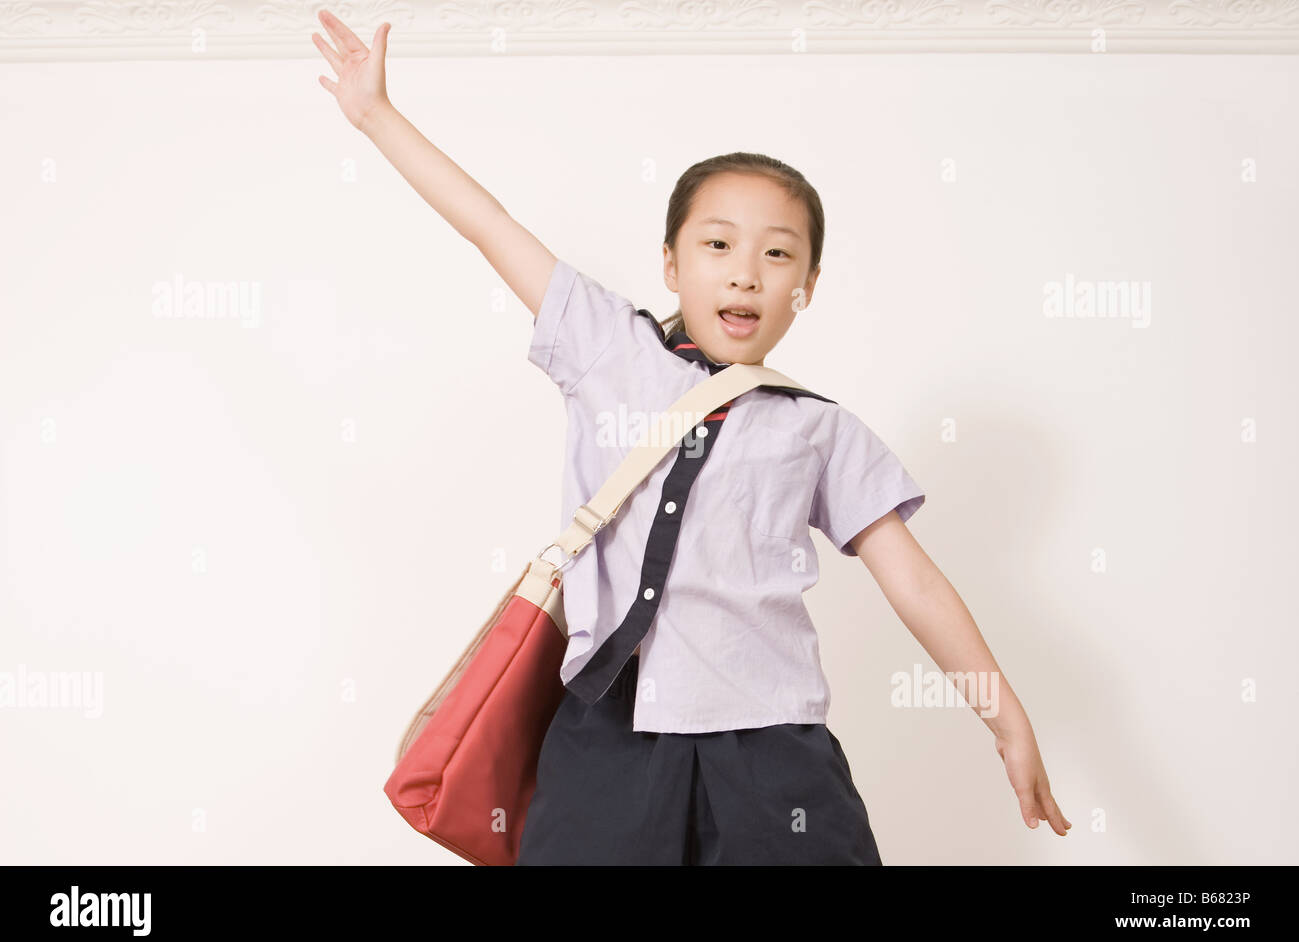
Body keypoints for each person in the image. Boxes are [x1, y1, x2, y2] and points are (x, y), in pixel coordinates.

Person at [312, 10, 1072, 865]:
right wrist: (376, 114)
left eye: (779, 255)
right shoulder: (606, 348)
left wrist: (1005, 717)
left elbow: (918, 586)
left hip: (773, 752)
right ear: (672, 264)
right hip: (607, 735)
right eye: (718, 244)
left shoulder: (820, 429)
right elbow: (489, 224)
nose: (746, 270)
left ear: (807, 287)